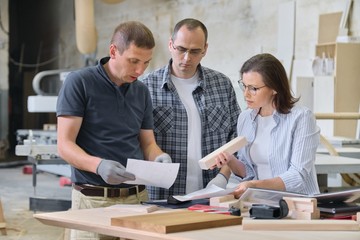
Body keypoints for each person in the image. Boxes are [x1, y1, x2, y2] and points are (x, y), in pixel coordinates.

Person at [56, 21, 172, 240]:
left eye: (146, 63)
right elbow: (64, 145)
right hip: (92, 200)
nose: (139, 70)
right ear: (113, 51)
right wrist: (98, 165)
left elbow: (147, 143)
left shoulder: (141, 91)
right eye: (133, 61)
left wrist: (159, 157)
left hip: (137, 200)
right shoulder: (79, 82)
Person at [142, 18, 241, 200]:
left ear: (205, 49)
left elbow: (237, 138)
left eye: (195, 51)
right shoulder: (146, 87)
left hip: (211, 193)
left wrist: (223, 175)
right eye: (181, 49)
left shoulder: (222, 85)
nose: (187, 58)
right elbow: (140, 139)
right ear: (171, 45)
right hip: (162, 195)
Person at [213, 53, 320, 199]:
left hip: (296, 206)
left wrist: (255, 185)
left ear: (275, 88)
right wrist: (230, 161)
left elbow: (298, 176)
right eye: (244, 86)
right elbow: (249, 173)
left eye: (253, 88)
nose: (245, 94)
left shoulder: (301, 118)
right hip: (260, 204)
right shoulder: (245, 118)